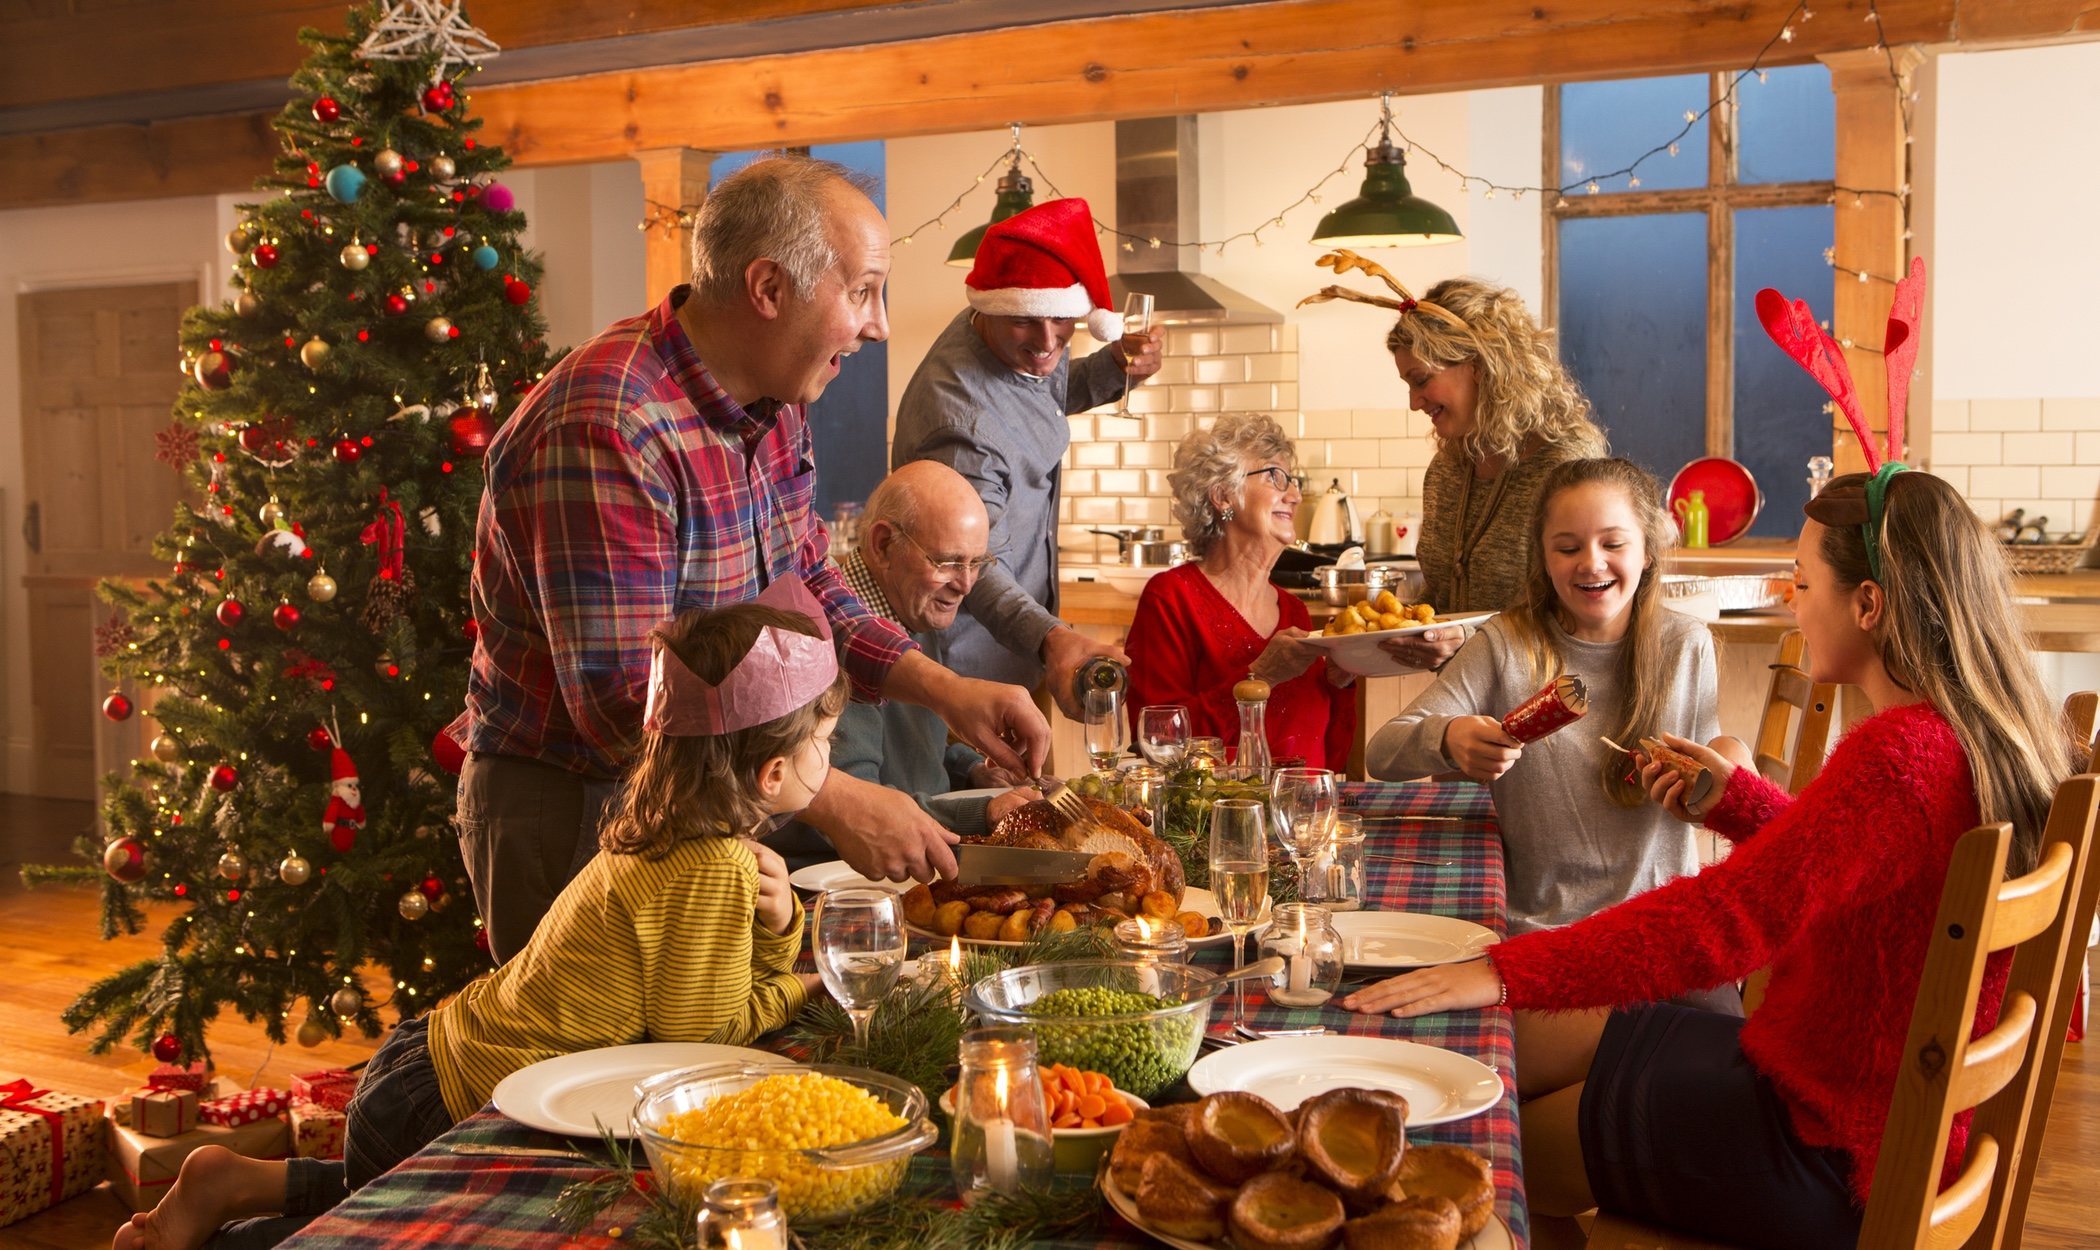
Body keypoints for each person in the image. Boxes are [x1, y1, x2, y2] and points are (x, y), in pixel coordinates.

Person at [1341, 468, 2074, 1250]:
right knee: (1494, 1061)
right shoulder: (1960, 735)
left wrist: (1506, 969)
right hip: (1829, 1091)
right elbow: (1844, 861)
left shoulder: (1896, 758)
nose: (1794, 601)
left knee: (1496, 1154)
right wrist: (1738, 799)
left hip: (1820, 1146)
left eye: (1801, 581)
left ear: (1868, 606)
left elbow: (1724, 919)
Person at [448, 155, 1048, 961]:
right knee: (593, 1076)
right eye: (863, 290)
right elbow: (631, 706)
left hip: (707, 793)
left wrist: (944, 691)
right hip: (579, 807)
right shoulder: (611, 425)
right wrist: (833, 800)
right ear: (769, 290)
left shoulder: (776, 402)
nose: (881, 325)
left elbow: (809, 593)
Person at [113, 595, 845, 1250]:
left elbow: (694, 1008)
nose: (831, 754)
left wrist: (775, 931)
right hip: (452, 1103)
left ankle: (229, 1180)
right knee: (388, 1231)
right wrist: (804, 982)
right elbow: (707, 1046)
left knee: (379, 1189)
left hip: (427, 1064)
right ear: (772, 774)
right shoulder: (712, 866)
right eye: (827, 740)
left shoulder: (666, 832)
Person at [1363, 457, 1734, 948]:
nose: (1591, 562)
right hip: (1541, 934)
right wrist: (1449, 738)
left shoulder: (1687, 645)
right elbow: (1381, 753)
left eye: (1614, 543)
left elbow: (1714, 776)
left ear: (1647, 551)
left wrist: (1729, 766)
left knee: (1725, 1029)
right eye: (1567, 547)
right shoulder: (1504, 644)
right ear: (1542, 556)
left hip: (1661, 930)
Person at [893, 196, 1162, 715]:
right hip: (967, 678)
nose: (1046, 341)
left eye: (1063, 318)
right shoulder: (961, 423)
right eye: (1025, 323)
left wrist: (1114, 367)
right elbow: (971, 567)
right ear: (993, 308)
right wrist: (1054, 639)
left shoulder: (1007, 323)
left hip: (1018, 654)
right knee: (990, 797)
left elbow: (1042, 388)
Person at [1302, 253, 1607, 672]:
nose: (1414, 403)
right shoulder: (1448, 470)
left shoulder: (1568, 466)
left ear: (1481, 365)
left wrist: (1468, 640)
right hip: (1469, 704)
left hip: (1551, 702)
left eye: (1421, 380)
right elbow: (1441, 601)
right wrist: (1393, 636)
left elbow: (1588, 611)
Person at [767, 461, 1038, 870]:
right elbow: (858, 814)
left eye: (978, 563)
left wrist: (972, 771)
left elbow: (911, 759)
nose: (966, 584)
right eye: (947, 562)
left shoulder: (913, 607)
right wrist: (981, 813)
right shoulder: (831, 644)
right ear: (883, 545)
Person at [1123, 413, 1355, 772]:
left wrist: (1341, 682)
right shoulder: (1171, 599)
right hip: (1214, 822)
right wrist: (1259, 678)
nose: (1294, 495)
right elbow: (1157, 743)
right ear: (1223, 495)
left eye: (1292, 481)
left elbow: (1330, 758)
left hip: (1300, 818)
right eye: (1276, 477)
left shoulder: (1294, 611)